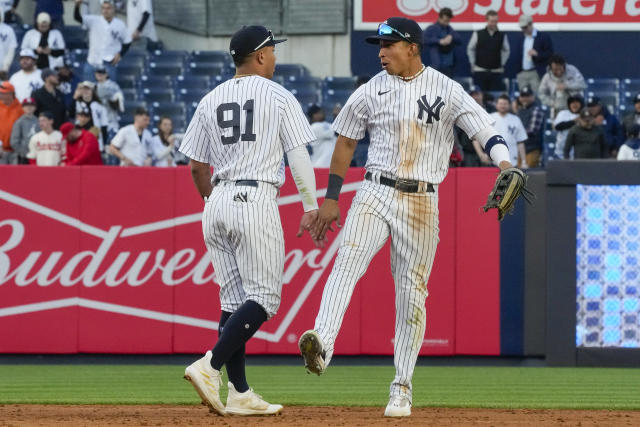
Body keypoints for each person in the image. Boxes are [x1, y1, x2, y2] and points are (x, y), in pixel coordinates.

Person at [298, 17, 515, 418]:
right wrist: (331, 198)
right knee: (348, 259)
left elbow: (483, 130)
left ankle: (402, 386)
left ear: (412, 47)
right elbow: (345, 142)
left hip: (421, 200)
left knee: (412, 293)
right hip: (375, 189)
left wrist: (504, 165)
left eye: (389, 44)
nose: (381, 52)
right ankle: (322, 345)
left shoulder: (447, 89)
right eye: (378, 45)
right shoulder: (369, 90)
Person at [179, 25, 320, 417]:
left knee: (232, 300)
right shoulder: (277, 95)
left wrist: (214, 200)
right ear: (259, 56)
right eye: (272, 51)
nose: (275, 56)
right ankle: (209, 366)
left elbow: (195, 167)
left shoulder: (210, 98)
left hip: (217, 198)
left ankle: (239, 393)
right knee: (265, 298)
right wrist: (310, 204)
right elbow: (298, 155)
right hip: (254, 196)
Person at [73, 0, 131, 81]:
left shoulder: (120, 24)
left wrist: (120, 54)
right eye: (103, 8)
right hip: (92, 62)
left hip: (109, 63)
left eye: (108, 8)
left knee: (107, 91)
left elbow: (127, 41)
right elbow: (77, 18)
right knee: (88, 89)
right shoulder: (94, 20)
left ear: (113, 9)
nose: (105, 10)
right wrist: (77, 6)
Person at [466, 10, 509, 92]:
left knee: (494, 97)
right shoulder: (478, 34)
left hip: (496, 72)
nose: (494, 23)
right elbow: (470, 48)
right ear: (486, 20)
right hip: (480, 71)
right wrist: (473, 62)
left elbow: (506, 50)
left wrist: (502, 62)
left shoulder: (502, 35)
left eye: (496, 21)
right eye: (492, 21)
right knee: (478, 97)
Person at [513, 14, 553, 94]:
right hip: (522, 73)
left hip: (535, 73)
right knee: (523, 96)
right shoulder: (521, 38)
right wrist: (519, 72)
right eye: (522, 28)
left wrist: (537, 54)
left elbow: (550, 54)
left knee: (538, 96)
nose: (523, 29)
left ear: (531, 24)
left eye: (525, 27)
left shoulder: (543, 37)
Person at [490, 94, 528, 168]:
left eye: (505, 104)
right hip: (493, 160)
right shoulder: (490, 118)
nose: (503, 106)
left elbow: (520, 142)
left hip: (511, 160)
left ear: (509, 105)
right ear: (496, 105)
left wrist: (524, 161)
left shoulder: (516, 119)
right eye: (500, 103)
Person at [422, 8, 460, 77]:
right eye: (445, 20)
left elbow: (459, 40)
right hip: (436, 65)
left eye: (448, 21)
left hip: (449, 65)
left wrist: (451, 37)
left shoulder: (449, 29)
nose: (446, 23)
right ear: (439, 17)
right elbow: (424, 40)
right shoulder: (431, 28)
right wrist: (439, 41)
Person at [70, 80, 108, 149]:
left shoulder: (99, 106)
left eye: (88, 89)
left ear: (92, 91)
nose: (85, 91)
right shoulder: (77, 103)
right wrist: (74, 98)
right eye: (83, 89)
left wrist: (104, 143)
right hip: (81, 137)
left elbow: (104, 125)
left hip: (95, 137)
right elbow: (71, 114)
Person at [514, 86, 544, 168]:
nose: (525, 98)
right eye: (523, 96)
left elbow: (532, 131)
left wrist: (515, 134)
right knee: (518, 175)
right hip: (519, 149)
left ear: (533, 97)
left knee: (530, 175)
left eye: (527, 96)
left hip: (532, 148)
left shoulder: (536, 110)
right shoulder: (520, 111)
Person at [94, 66, 122, 139]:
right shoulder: (93, 86)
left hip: (111, 120)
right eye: (98, 72)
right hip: (98, 121)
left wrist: (113, 99)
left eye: (102, 73)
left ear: (106, 74)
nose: (100, 74)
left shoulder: (113, 86)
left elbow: (120, 105)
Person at [10, 97, 39, 164]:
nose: (29, 107)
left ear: (35, 107)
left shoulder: (38, 121)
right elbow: (14, 141)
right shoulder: (19, 122)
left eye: (31, 105)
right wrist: (23, 152)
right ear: (22, 108)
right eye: (26, 105)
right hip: (24, 156)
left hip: (37, 155)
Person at [553, 94, 583, 159]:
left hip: (578, 155)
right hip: (560, 153)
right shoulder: (563, 113)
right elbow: (558, 126)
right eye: (572, 102)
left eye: (577, 102)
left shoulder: (585, 115)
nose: (574, 104)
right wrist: (574, 121)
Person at [0, 80, 23, 164]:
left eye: (3, 93)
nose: (1, 95)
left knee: (15, 176)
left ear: (11, 94)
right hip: (1, 150)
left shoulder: (20, 108)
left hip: (16, 151)